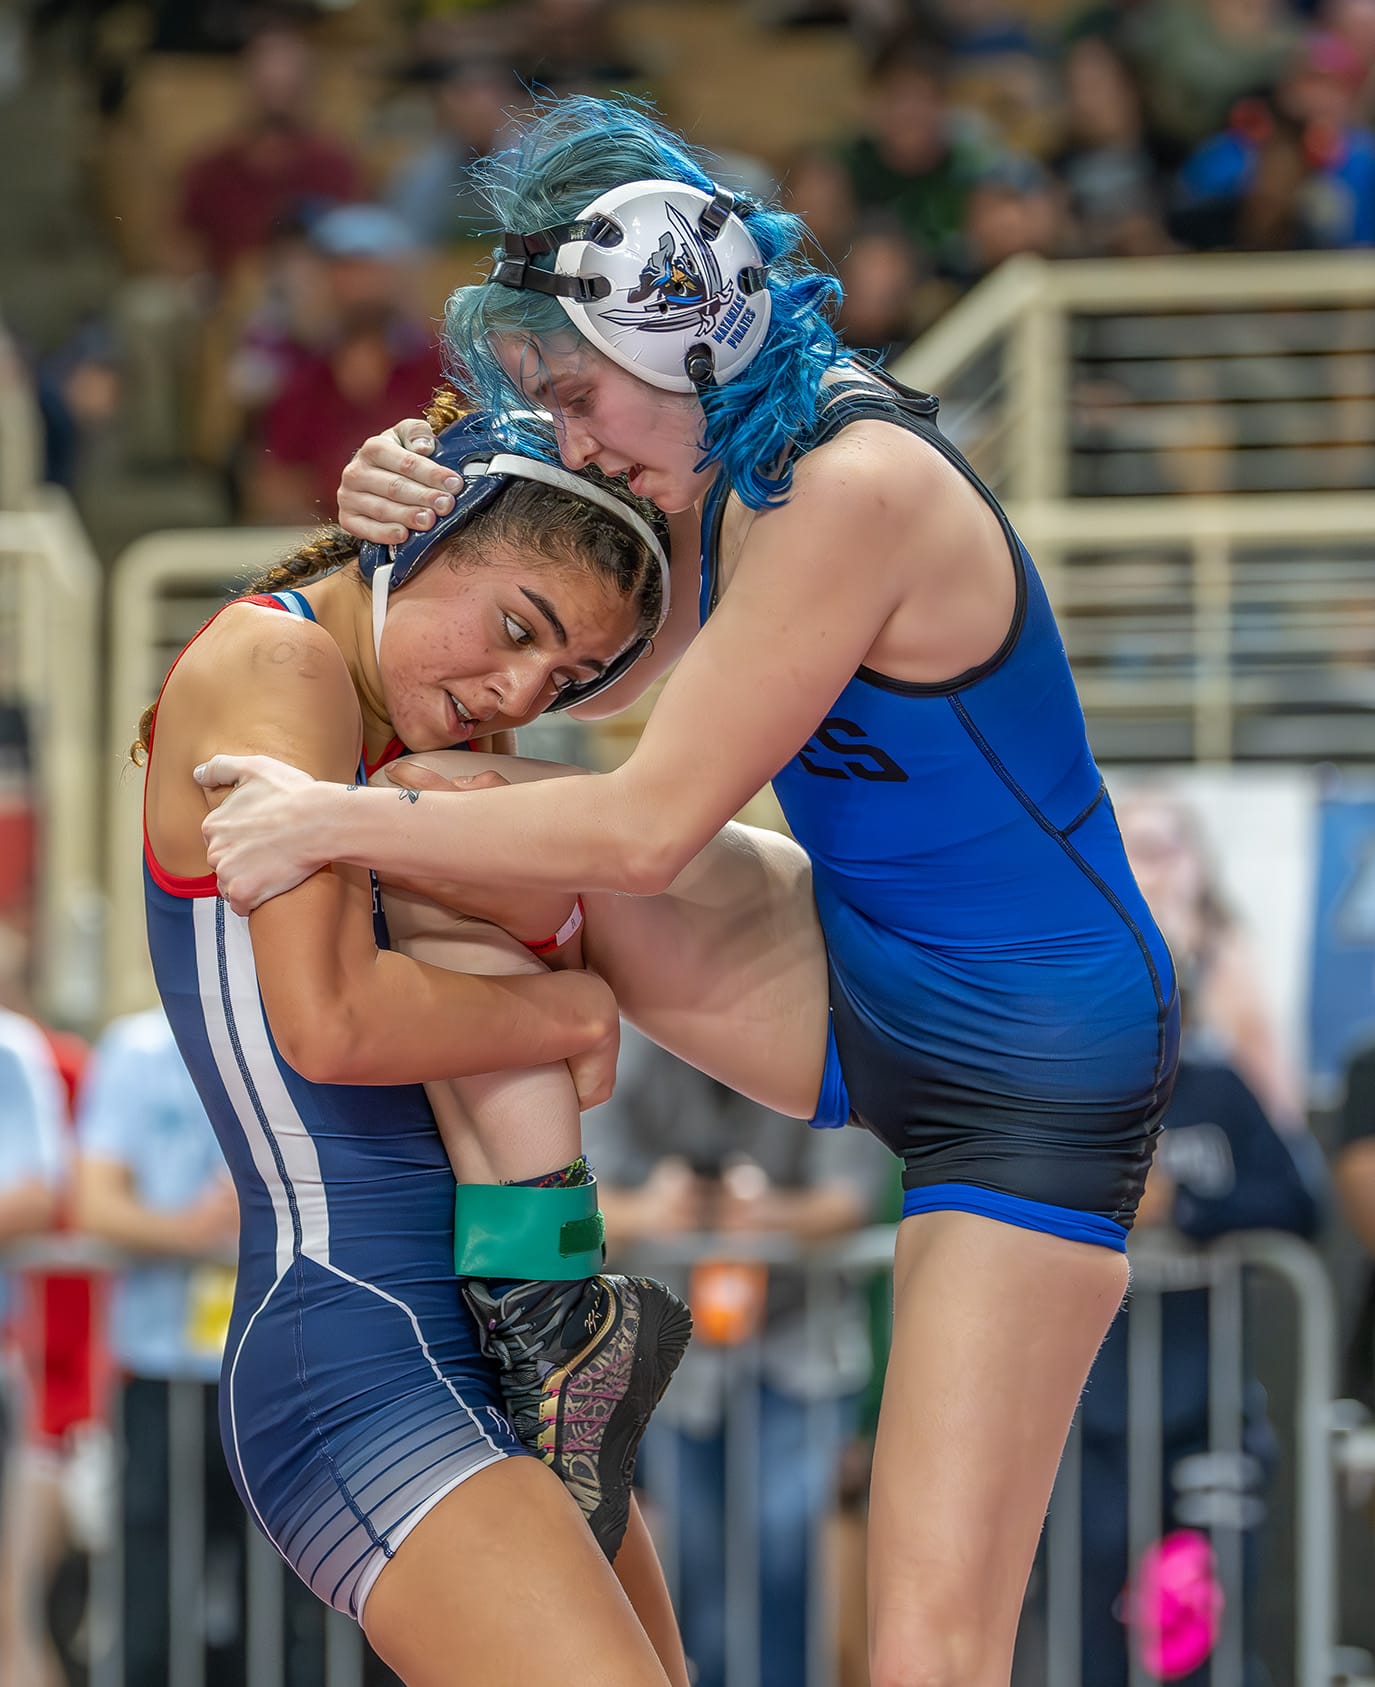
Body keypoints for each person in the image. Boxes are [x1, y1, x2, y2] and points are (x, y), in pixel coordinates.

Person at [194, 93, 1182, 1685]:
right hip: (854, 967)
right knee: (437, 791)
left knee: (926, 1651)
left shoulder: (853, 484)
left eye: (580, 398)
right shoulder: (725, 464)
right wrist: (398, 505)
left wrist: (321, 824)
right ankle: (547, 1312)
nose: (574, 438)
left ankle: (541, 1294)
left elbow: (646, 824)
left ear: (688, 339)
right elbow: (566, 675)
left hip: (1036, 1064)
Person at [137, 396, 691, 1686]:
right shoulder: (279, 666)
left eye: (558, 680)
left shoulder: (418, 732)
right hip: (358, 1351)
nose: (514, 690)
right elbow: (328, 1026)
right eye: (512, 630)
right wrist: (569, 1010)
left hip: (512, 1346)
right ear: (409, 534)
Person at [585, 1025, 893, 1687]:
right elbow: (586, 1197)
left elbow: (848, 1200)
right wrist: (656, 1208)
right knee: (695, 1561)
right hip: (679, 1362)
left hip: (798, 1348)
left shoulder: (821, 1041)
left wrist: (762, 1215)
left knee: (785, 1556)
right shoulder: (636, 1044)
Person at [73, 1007, 246, 1686]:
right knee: (152, 1596)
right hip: (163, 1371)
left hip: (282, 1374)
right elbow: (92, 1204)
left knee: (296, 1604)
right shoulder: (137, 1048)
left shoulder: (302, 1031)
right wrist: (197, 1230)